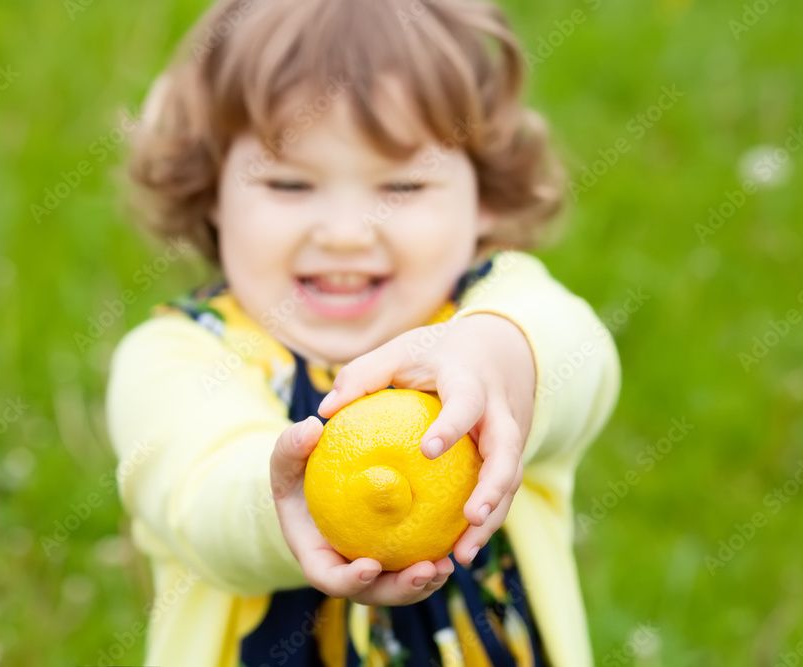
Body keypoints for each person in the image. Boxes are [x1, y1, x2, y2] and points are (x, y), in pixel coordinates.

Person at [106, 0, 620, 664]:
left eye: (402, 184)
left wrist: (500, 360)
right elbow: (199, 500)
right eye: (289, 183)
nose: (346, 232)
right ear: (211, 191)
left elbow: (578, 356)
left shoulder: (498, 308)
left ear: (485, 193)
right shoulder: (179, 356)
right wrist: (299, 504)